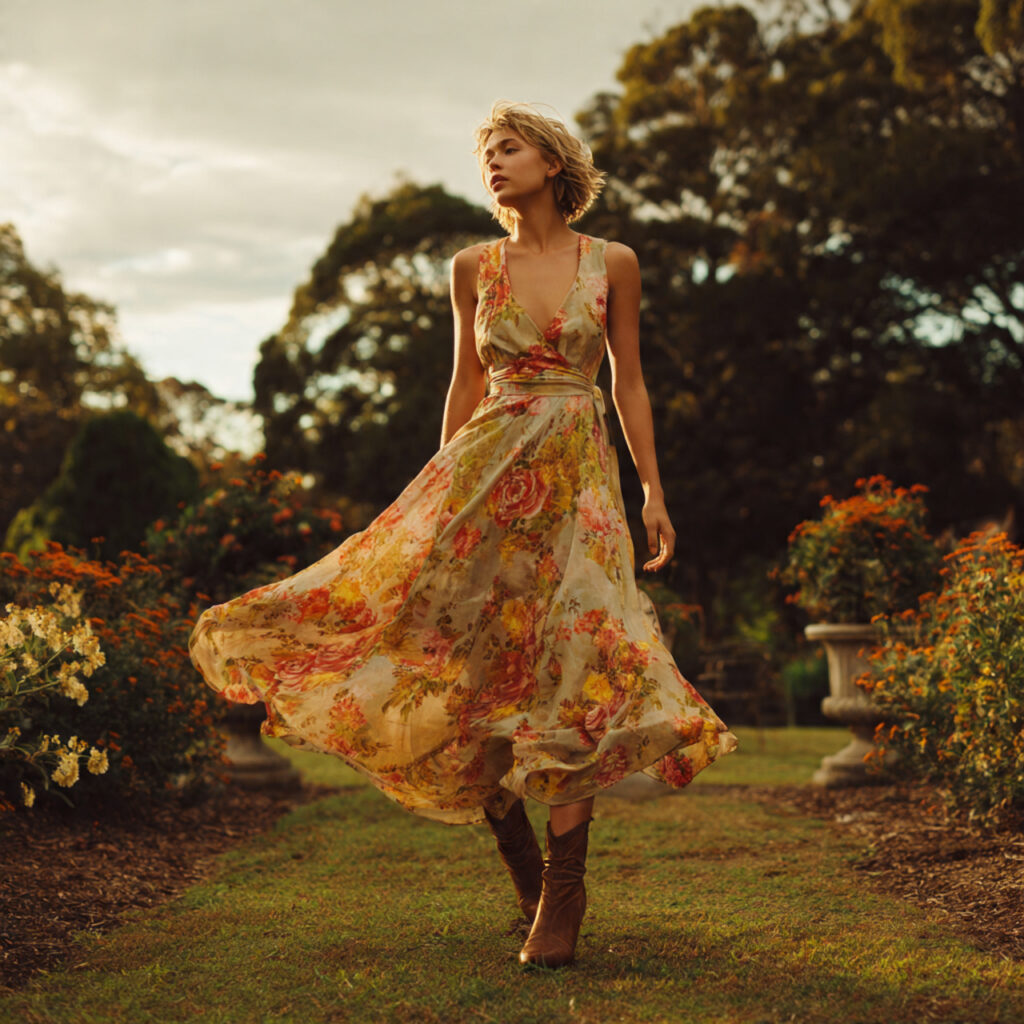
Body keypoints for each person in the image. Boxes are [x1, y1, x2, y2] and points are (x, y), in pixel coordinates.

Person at [189, 100, 738, 970]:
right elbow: (461, 385)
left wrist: (653, 490)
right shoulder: (471, 268)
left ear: (551, 162)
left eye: (509, 147)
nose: (493, 161)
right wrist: (428, 510)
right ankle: (519, 855)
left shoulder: (615, 263)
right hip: (483, 476)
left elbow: (629, 383)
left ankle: (564, 894)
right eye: (485, 151)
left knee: (577, 666)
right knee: (470, 675)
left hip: (579, 483)